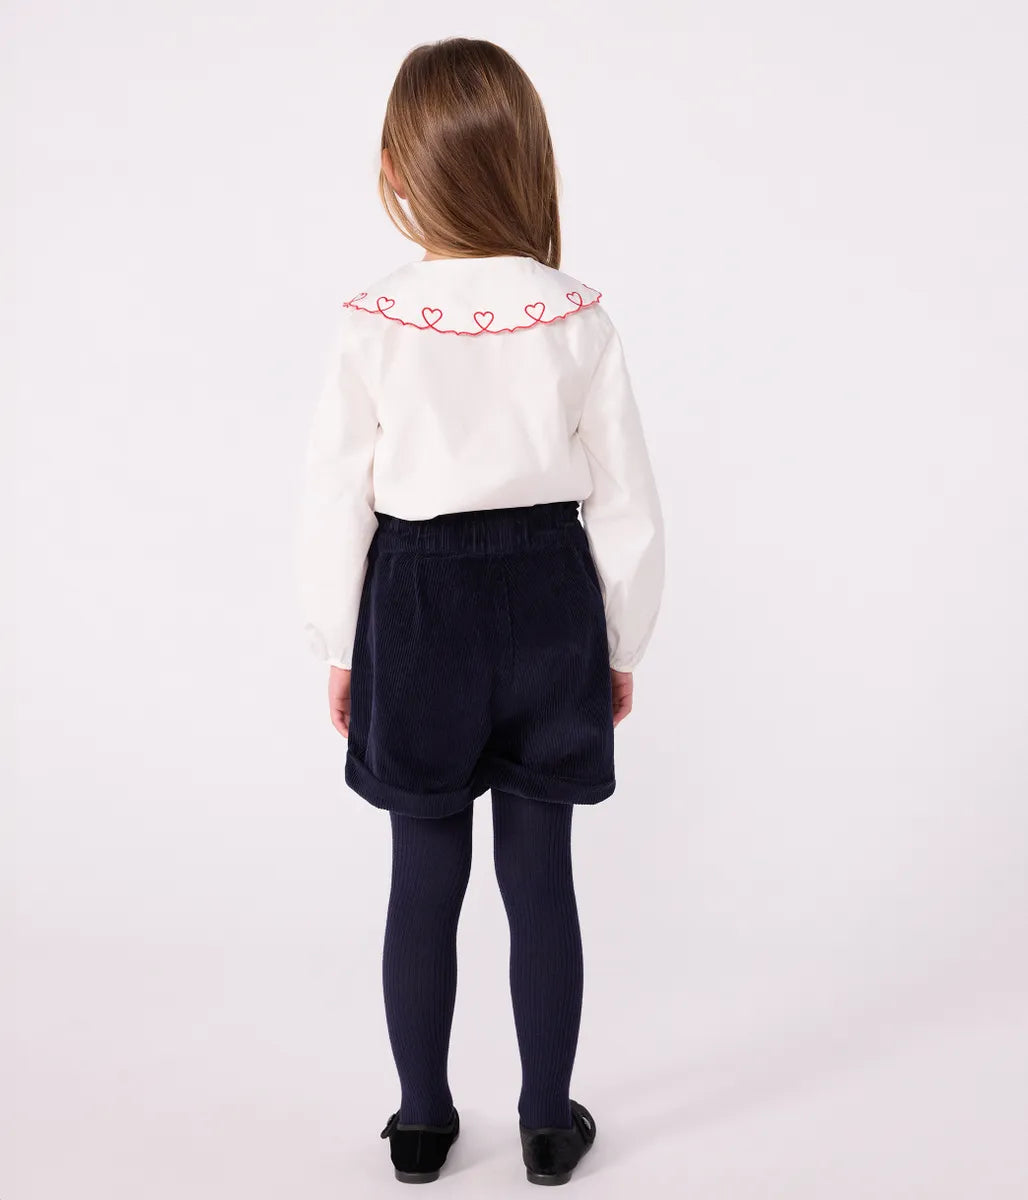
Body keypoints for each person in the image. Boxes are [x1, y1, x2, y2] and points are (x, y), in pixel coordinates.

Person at [296, 37, 665, 1187]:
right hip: (550, 594)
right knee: (540, 875)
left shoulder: (373, 320)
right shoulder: (577, 317)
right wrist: (619, 639)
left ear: (398, 170)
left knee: (423, 875)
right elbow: (625, 501)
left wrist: (339, 640)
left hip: (416, 604)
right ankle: (547, 1123)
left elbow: (335, 498)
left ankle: (420, 1122)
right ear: (526, 162)